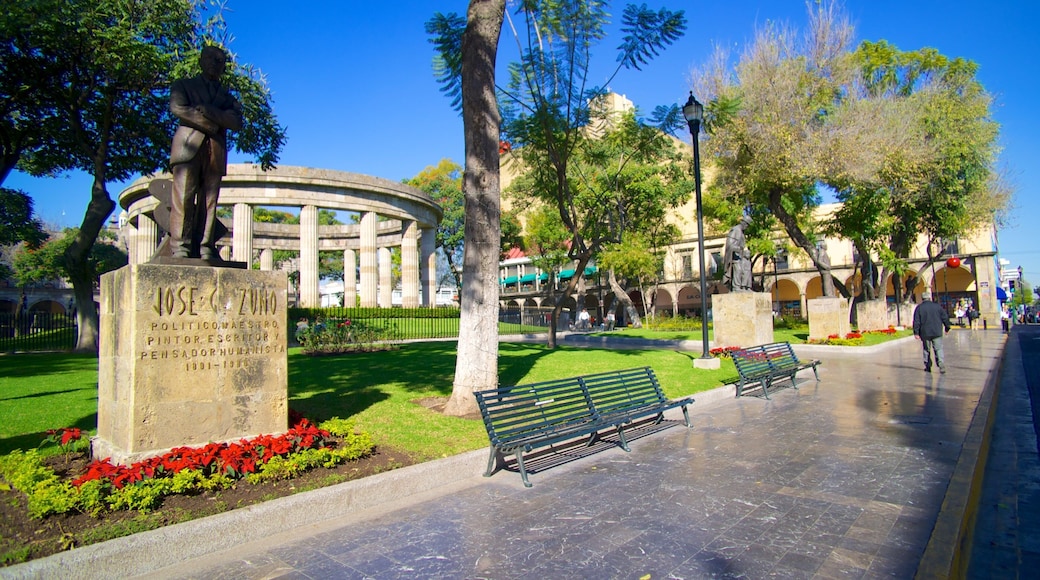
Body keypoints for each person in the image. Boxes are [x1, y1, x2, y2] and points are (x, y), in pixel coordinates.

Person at [168, 45, 243, 259]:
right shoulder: (184, 85)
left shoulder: (227, 97)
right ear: (201, 61)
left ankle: (205, 246)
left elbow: (236, 122)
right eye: (210, 58)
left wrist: (209, 111)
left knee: (210, 201)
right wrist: (213, 124)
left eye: (219, 61)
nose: (214, 64)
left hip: (215, 151)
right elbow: (178, 108)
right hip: (187, 147)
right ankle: (180, 246)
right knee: (184, 196)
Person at [913, 292, 951, 373]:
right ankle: (941, 364)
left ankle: (928, 366)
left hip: (925, 333)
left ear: (922, 298)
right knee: (938, 349)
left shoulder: (919, 308)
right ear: (930, 298)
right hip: (937, 331)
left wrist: (916, 332)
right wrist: (947, 328)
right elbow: (945, 318)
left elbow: (916, 321)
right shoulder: (937, 307)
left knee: (926, 349)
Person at [722, 216, 752, 292]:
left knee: (746, 270)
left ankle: (745, 287)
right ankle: (736, 287)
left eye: (748, 225)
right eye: (746, 224)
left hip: (740, 255)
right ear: (742, 222)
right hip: (734, 256)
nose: (747, 226)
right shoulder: (735, 230)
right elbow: (729, 244)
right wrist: (739, 249)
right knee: (738, 269)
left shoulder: (741, 232)